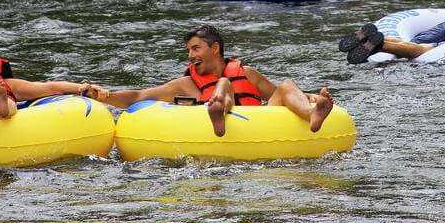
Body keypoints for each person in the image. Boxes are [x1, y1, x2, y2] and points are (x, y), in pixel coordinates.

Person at [98, 25, 334, 137]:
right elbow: (140, 97)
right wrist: (106, 96)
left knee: (288, 84)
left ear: (215, 48)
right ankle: (218, 110)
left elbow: (279, 95)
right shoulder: (186, 84)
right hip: (222, 132)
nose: (190, 56)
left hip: (261, 129)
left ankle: (312, 115)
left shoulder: (247, 73)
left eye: (196, 48)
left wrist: (311, 97)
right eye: (189, 51)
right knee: (223, 84)